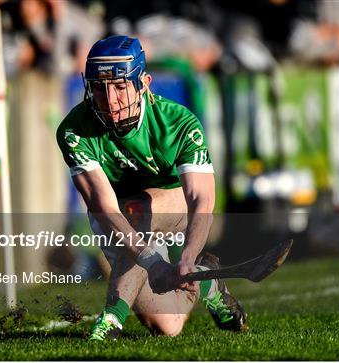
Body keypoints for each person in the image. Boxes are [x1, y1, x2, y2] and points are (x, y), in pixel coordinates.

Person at [56, 35, 247, 340]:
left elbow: (201, 199)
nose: (110, 99)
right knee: (167, 326)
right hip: (120, 220)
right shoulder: (73, 130)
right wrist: (151, 260)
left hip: (177, 209)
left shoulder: (179, 123)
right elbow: (104, 207)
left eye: (119, 86)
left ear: (143, 83)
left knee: (136, 211)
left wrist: (187, 255)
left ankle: (110, 322)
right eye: (99, 88)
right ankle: (208, 282)